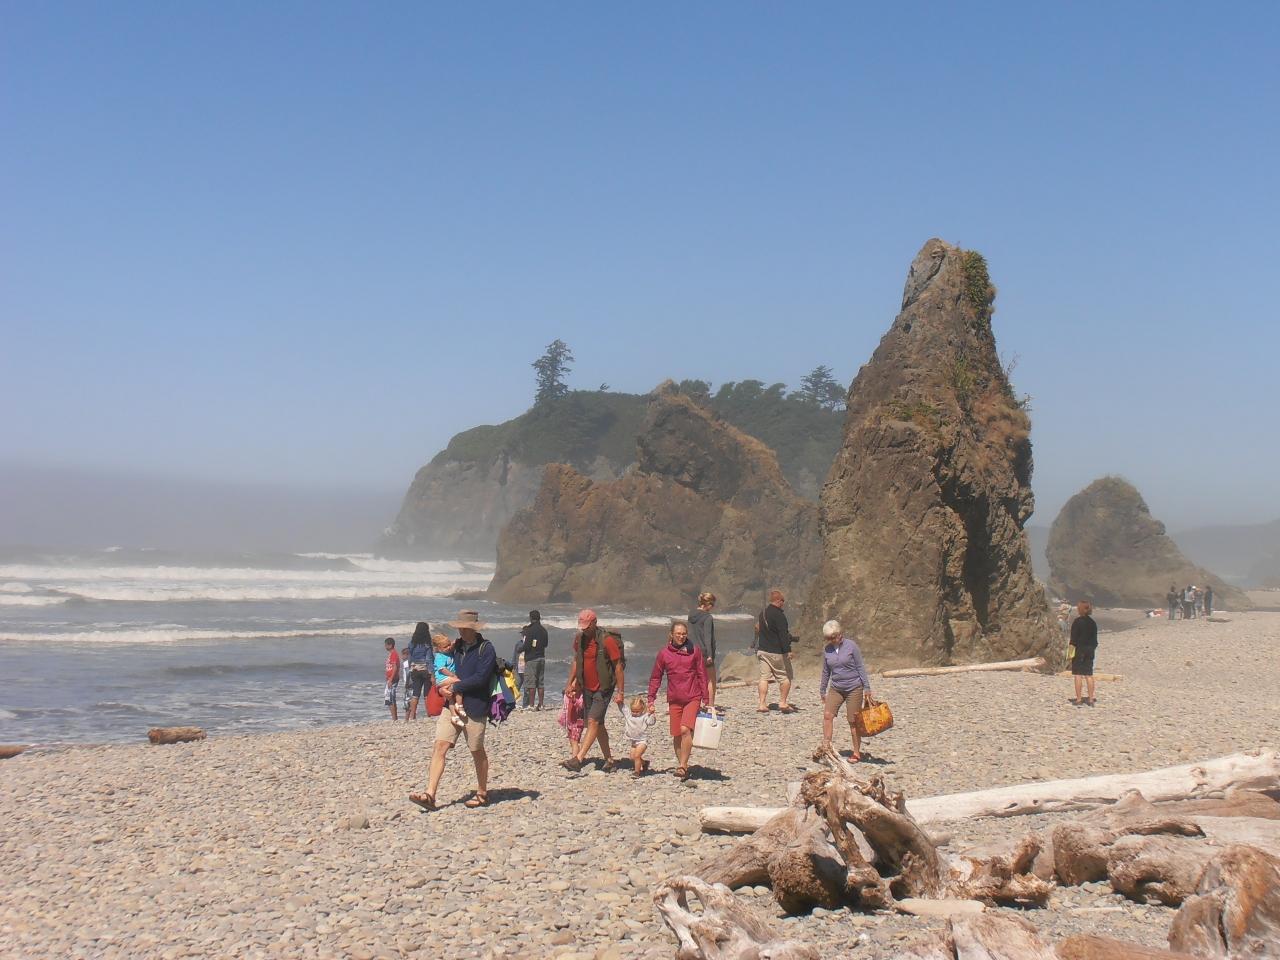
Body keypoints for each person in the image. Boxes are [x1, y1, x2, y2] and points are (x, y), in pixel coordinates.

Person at [411, 611, 497, 810]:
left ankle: (482, 793)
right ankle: (430, 794)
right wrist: (441, 689)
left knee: (476, 750)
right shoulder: (455, 646)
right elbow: (440, 667)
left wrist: (456, 686)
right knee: (440, 745)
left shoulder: (486, 649)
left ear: (474, 629)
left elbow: (481, 678)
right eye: (460, 628)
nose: (461, 631)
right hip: (450, 705)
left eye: (465, 628)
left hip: (475, 706)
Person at [563, 611, 625, 772]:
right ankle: (609, 760)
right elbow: (576, 660)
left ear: (595, 623)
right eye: (582, 626)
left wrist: (620, 692)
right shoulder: (579, 639)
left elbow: (618, 666)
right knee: (599, 724)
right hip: (587, 687)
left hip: (603, 688)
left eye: (587, 626)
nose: (584, 629)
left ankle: (578, 759)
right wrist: (570, 683)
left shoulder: (607, 640)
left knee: (592, 721)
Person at [647, 621, 709, 780]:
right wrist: (651, 698)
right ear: (671, 635)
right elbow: (656, 677)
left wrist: (706, 698)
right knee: (676, 734)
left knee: (685, 729)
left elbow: (702, 674)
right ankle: (683, 765)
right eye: (678, 634)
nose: (681, 637)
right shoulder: (664, 654)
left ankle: (682, 765)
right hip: (674, 698)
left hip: (692, 696)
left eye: (684, 634)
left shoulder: (694, 651)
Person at [818, 620, 872, 759]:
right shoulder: (827, 650)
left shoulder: (851, 646)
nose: (836, 638)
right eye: (832, 637)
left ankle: (856, 752)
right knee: (827, 715)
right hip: (836, 688)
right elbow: (826, 671)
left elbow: (860, 667)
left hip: (854, 687)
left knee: (853, 721)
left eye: (837, 635)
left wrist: (867, 687)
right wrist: (822, 690)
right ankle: (827, 748)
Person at [756, 590, 796, 713]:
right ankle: (783, 702)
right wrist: (788, 650)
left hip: (763, 650)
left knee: (764, 678)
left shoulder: (763, 613)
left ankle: (762, 704)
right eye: (782, 601)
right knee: (785, 677)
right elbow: (783, 635)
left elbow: (758, 628)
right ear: (778, 601)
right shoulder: (779, 615)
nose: (783, 603)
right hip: (776, 652)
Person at [688, 592, 718, 714]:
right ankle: (710, 705)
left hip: (691, 650)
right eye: (712, 605)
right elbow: (708, 637)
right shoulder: (707, 617)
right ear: (708, 604)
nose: (712, 607)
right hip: (704, 652)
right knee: (711, 679)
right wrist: (710, 654)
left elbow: (690, 633)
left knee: (694, 678)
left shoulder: (691, 615)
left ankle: (693, 703)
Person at [432, 632, 467, 728]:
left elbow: (453, 645)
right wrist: (453, 675)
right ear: (439, 648)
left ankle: (454, 716)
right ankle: (459, 705)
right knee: (459, 683)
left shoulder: (448, 652)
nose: (448, 648)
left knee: (450, 697)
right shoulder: (439, 656)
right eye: (445, 647)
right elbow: (442, 669)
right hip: (442, 678)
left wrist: (454, 643)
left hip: (446, 678)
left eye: (448, 645)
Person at [1069, 600, 1099, 707]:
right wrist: (1092, 648)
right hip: (1090, 650)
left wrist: (1070, 653)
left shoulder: (1077, 622)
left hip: (1079, 650)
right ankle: (1091, 699)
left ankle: (1078, 699)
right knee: (1089, 675)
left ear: (1080, 609)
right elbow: (1095, 640)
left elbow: (1073, 639)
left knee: (1078, 674)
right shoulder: (1093, 623)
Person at [620, 694, 656, 778]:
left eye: (637, 711)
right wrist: (619, 702)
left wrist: (651, 714)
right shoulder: (629, 716)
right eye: (633, 711)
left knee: (637, 756)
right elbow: (623, 708)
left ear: (642, 710)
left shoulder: (644, 716)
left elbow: (651, 722)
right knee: (632, 758)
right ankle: (644, 763)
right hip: (634, 741)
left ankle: (637, 772)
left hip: (642, 741)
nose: (635, 713)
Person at [521, 610, 549, 710]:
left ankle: (531, 705)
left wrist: (520, 649)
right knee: (540, 683)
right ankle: (541, 704)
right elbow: (546, 644)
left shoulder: (529, 630)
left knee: (531, 683)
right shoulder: (544, 630)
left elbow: (527, 645)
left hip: (532, 658)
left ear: (531, 618)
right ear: (539, 618)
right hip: (541, 657)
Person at [406, 622, 433, 720]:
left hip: (414, 669)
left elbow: (409, 658)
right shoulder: (427, 644)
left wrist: (410, 668)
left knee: (415, 694)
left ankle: (412, 715)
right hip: (425, 669)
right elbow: (429, 659)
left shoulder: (412, 643)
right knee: (427, 694)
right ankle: (429, 714)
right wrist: (432, 673)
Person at [557, 685, 585, 759]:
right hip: (569, 722)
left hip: (577, 723)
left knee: (575, 741)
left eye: (574, 690)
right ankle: (577, 756)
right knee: (572, 741)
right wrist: (562, 719)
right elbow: (565, 709)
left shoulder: (581, 696)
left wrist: (574, 700)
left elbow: (581, 706)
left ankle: (575, 758)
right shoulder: (567, 695)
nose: (573, 692)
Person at [382, 637, 401, 722]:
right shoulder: (391, 654)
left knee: (391, 699)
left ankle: (394, 719)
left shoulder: (394, 654)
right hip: (390, 679)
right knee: (390, 698)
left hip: (392, 679)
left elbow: (395, 667)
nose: (385, 646)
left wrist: (390, 679)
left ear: (390, 645)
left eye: (386, 645)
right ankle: (394, 718)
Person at [400, 645, 411, 720]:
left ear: (406, 655)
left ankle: (407, 718)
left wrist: (407, 684)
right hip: (411, 684)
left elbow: (407, 673)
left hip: (408, 685)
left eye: (402, 655)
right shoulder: (410, 662)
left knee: (407, 702)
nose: (401, 657)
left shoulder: (406, 663)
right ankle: (411, 717)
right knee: (410, 701)